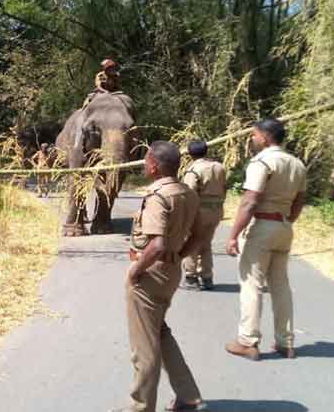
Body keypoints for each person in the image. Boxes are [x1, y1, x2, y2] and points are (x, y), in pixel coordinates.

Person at [119, 141, 206, 412]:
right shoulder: (188, 193)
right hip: (169, 272)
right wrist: (178, 256)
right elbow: (200, 236)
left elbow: (156, 245)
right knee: (159, 332)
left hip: (149, 274)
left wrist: (135, 271)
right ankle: (189, 396)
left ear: (154, 166)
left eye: (146, 160)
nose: (144, 165)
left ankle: (141, 406)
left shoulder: (158, 196)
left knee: (144, 347)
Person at [225, 119, 306, 361]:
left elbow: (250, 201)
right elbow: (300, 201)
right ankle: (285, 342)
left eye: (254, 135)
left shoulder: (262, 162)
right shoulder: (297, 164)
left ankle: (247, 341)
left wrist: (233, 234)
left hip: (262, 226)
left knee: (251, 283)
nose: (252, 139)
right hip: (283, 227)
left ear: (265, 137)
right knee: (280, 285)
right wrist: (286, 220)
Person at [181, 140, 226, 291]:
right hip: (216, 211)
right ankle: (207, 277)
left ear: (190, 154)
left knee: (192, 244)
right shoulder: (219, 167)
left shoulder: (193, 170)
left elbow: (189, 194)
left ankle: (191, 277)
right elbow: (224, 188)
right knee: (206, 244)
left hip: (199, 213)